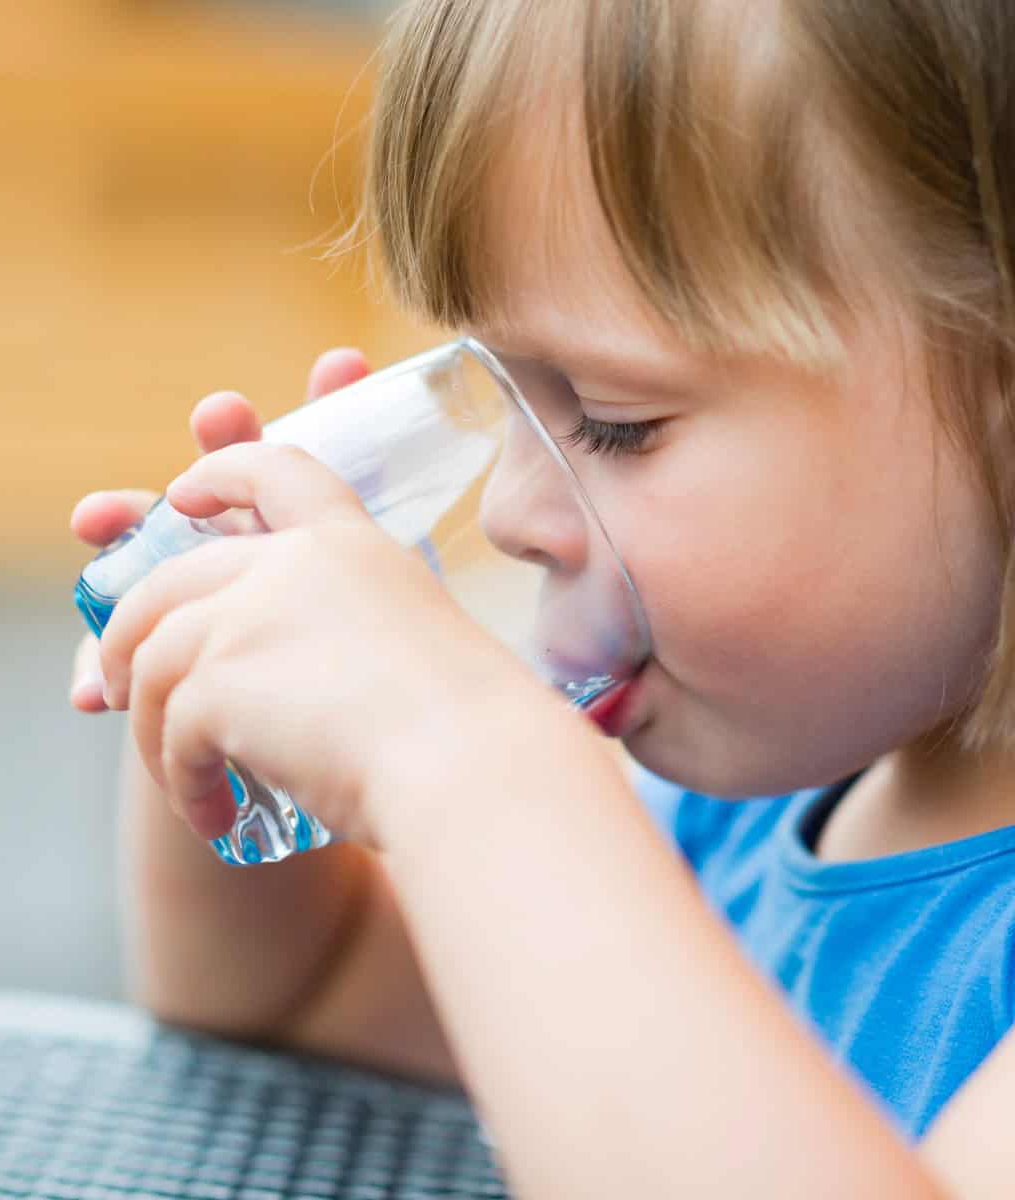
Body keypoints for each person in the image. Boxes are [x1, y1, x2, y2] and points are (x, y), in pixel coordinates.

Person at [70, 0, 1015, 1195]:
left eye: (616, 420)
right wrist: (231, 685)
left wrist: (463, 753)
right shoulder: (766, 798)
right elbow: (309, 1003)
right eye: (504, 393)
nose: (511, 511)